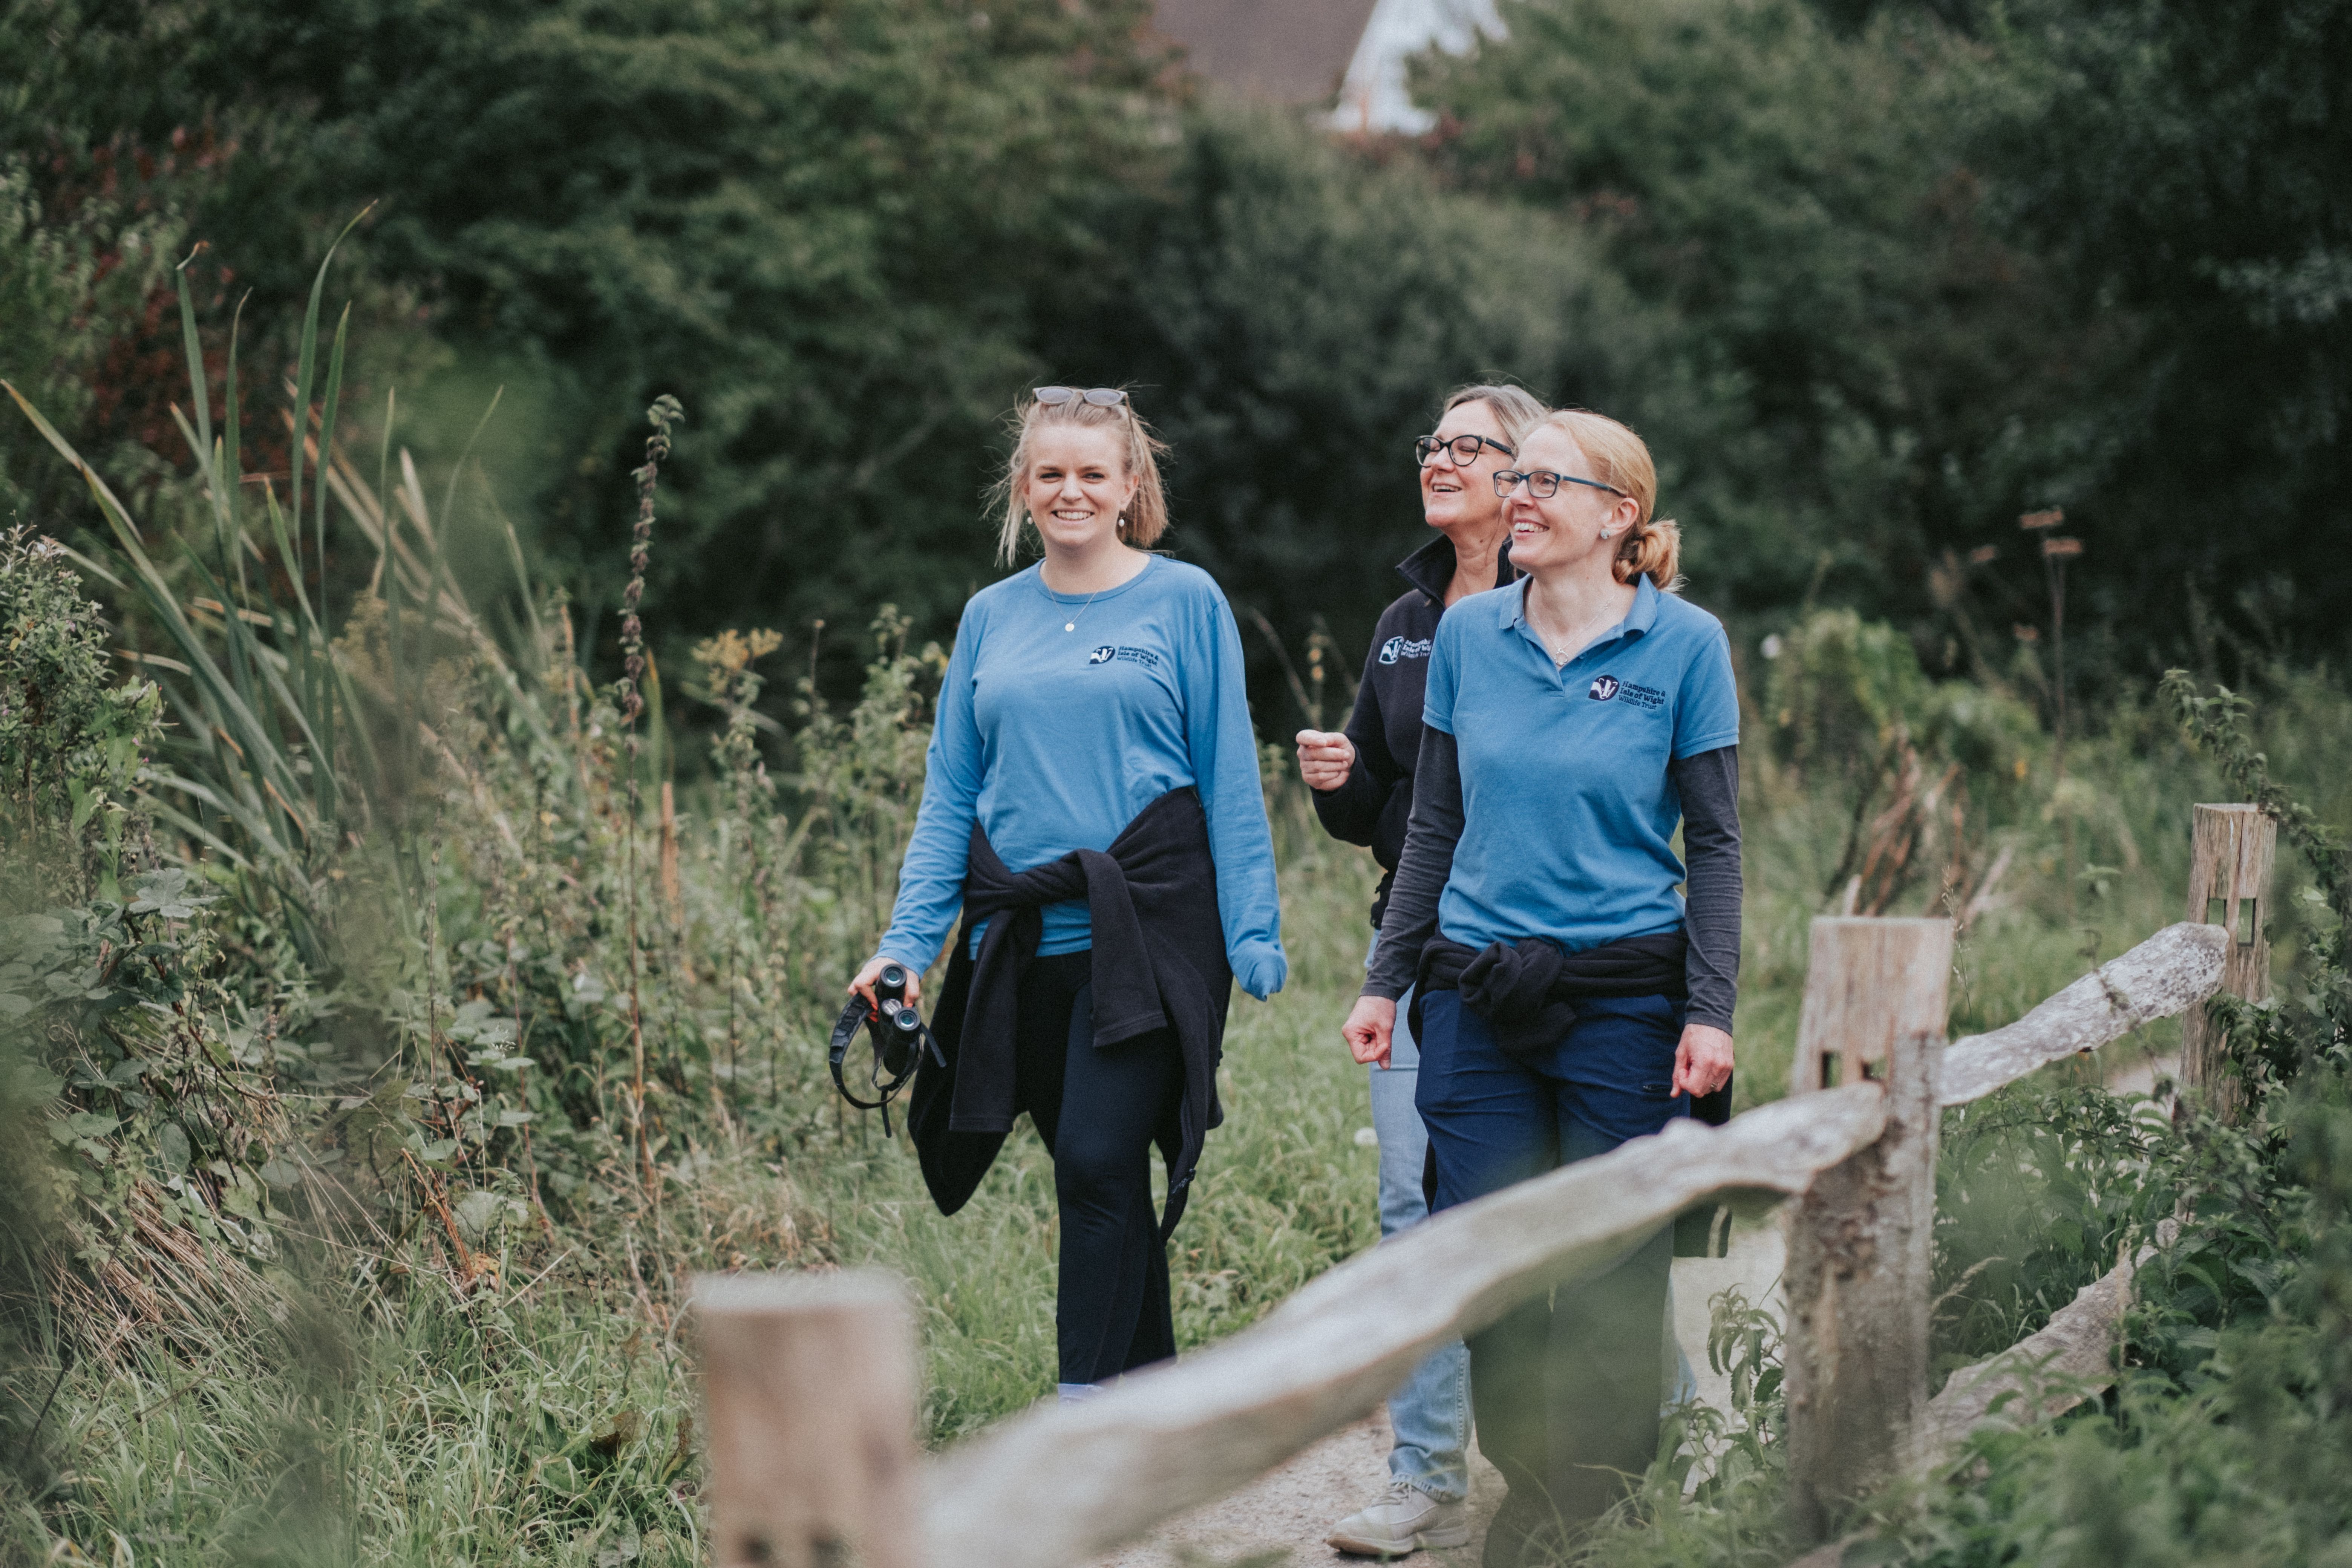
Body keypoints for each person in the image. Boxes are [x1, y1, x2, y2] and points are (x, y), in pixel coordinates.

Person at [1340, 409, 1741, 1564]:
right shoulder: (1468, 636)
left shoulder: (1685, 647)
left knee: (1614, 1270)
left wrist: (1709, 1010)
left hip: (1626, 995)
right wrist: (1387, 980)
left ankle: (1585, 1512)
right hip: (1474, 994)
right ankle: (1541, 1486)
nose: (1514, 495)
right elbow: (1435, 823)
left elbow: (1714, 845)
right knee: (1486, 1267)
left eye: (1541, 481)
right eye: (1510, 478)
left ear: (1618, 516)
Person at [854, 386, 1286, 1403]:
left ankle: (1080, 1426)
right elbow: (950, 796)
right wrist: (905, 948)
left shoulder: (1185, 602)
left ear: (1131, 486)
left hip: (1149, 930)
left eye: (1093, 473)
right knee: (1102, 1187)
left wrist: (1254, 927)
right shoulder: (991, 617)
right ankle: (1161, 1411)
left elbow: (1229, 775)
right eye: (1050, 473)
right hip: (1019, 942)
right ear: (1023, 487)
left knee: (1095, 1162)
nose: (1071, 491)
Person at [1298, 384, 1544, 1559]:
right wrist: (1342, 782)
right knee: (1414, 1205)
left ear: (1527, 471)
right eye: (1432, 444)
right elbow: (1396, 805)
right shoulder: (1406, 616)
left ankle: (1635, 1435)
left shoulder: (1574, 606)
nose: (1440, 459)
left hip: (1548, 959)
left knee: (1562, 1207)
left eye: (1469, 445)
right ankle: (1425, 1475)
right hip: (1413, 945)